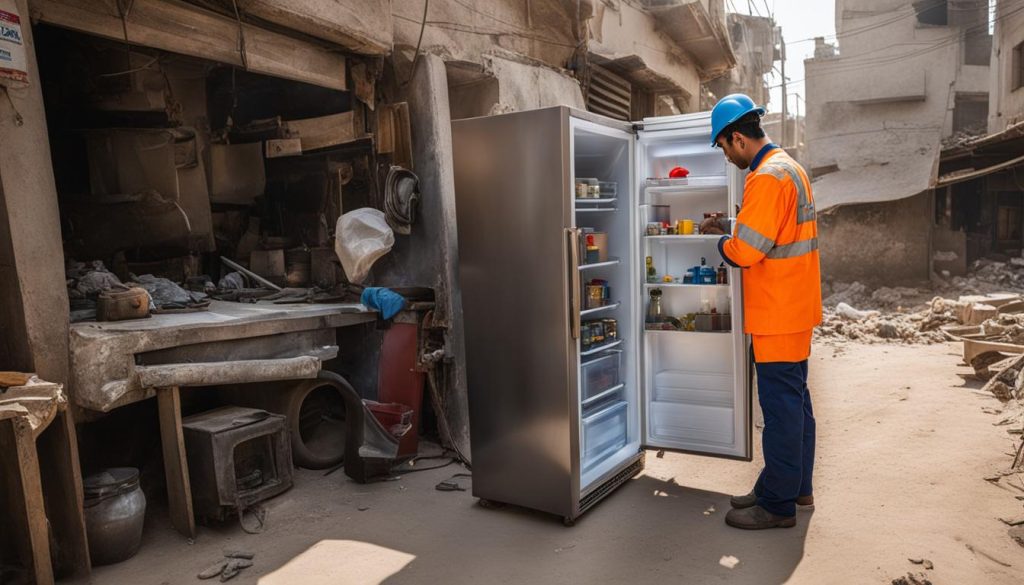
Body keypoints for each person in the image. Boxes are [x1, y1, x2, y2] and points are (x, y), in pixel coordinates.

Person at [700, 94, 822, 530]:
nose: (726, 156)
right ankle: (794, 485)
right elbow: (772, 232)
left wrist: (720, 242)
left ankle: (777, 505)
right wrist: (733, 225)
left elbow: (747, 251)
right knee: (797, 404)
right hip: (795, 307)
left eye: (724, 147)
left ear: (737, 138)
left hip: (776, 313)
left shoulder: (765, 178)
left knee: (781, 412)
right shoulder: (789, 167)